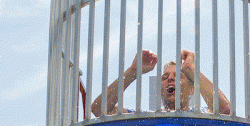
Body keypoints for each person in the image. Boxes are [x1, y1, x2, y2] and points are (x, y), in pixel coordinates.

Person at [91, 49, 230, 117]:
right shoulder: (147, 118)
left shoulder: (203, 114)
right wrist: (133, 71)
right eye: (164, 77)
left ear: (193, 89)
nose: (169, 78)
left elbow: (225, 110)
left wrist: (191, 70)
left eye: (178, 76)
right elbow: (99, 109)